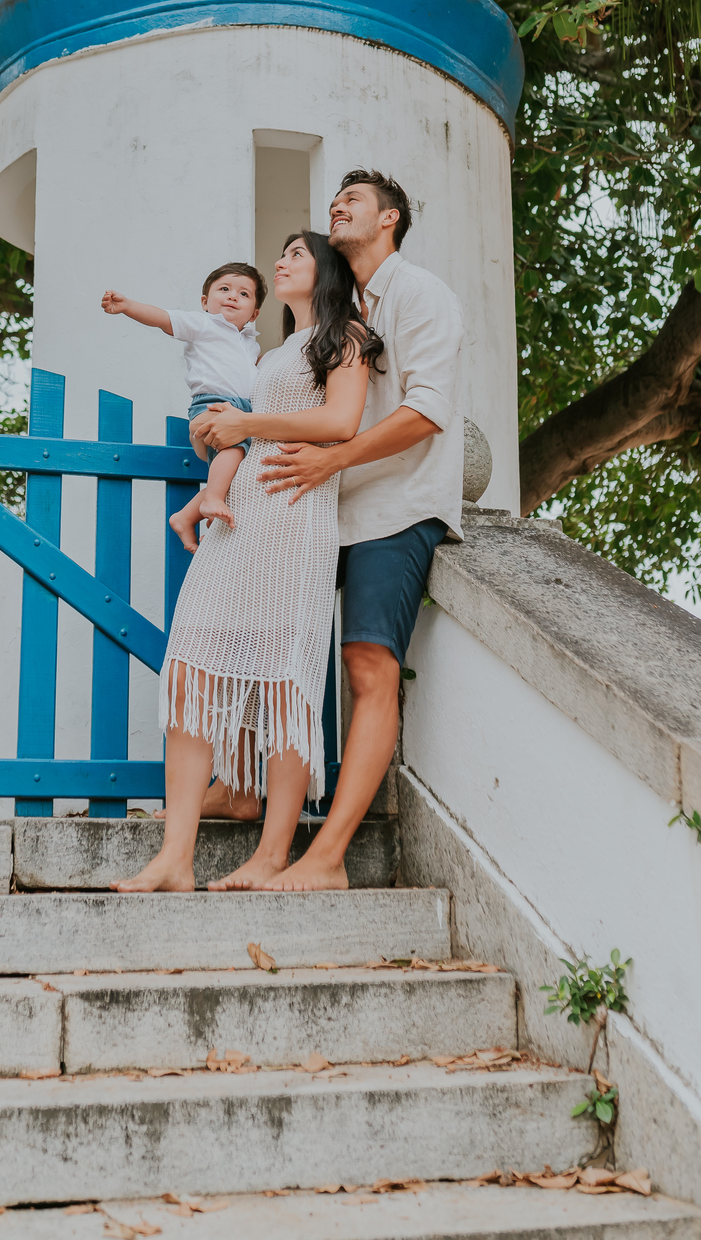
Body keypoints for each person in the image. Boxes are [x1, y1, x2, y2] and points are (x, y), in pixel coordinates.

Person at [194, 169, 464, 892]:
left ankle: (328, 856)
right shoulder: (332, 315)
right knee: (264, 640)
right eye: (334, 200)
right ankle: (240, 782)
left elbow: (428, 410)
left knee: (368, 666)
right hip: (319, 507)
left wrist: (333, 459)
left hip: (393, 505)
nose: (337, 207)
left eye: (355, 201)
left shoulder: (419, 295)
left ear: (391, 219)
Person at [111, 231, 380, 893]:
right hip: (244, 514)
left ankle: (270, 857)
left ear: (323, 271)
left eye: (296, 252)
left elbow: (342, 422)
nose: (282, 260)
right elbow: (245, 420)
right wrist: (225, 426)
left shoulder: (344, 334)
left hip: (295, 511)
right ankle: (175, 857)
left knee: (285, 682)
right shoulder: (273, 349)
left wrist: (246, 425)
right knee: (193, 669)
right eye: (282, 252)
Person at [101, 262, 267, 553]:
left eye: (243, 294)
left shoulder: (250, 343)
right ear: (205, 302)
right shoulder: (204, 324)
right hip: (212, 404)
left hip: (242, 412)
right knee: (233, 449)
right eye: (224, 289)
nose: (232, 296)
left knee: (237, 471)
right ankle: (212, 500)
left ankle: (185, 516)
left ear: (254, 313)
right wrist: (128, 306)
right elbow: (162, 318)